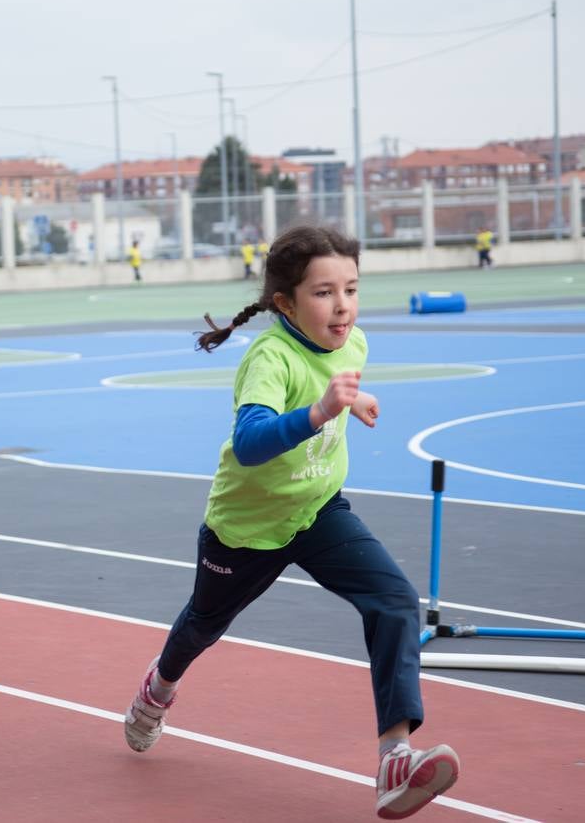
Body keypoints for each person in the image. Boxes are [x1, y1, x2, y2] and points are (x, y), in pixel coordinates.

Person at [121, 225, 459, 819]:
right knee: (203, 624)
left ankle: (394, 758)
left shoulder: (354, 344)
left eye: (351, 289)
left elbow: (330, 381)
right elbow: (250, 444)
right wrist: (321, 409)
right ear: (286, 303)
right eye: (324, 293)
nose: (343, 305)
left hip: (317, 511)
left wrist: (351, 399)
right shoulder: (268, 358)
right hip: (247, 528)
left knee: (396, 602)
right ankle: (159, 688)